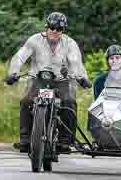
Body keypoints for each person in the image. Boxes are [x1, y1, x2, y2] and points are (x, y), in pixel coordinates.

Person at [5, 12, 91, 153]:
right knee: (26, 101)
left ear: (63, 31)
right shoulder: (34, 40)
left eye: (59, 29)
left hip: (61, 81)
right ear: (47, 27)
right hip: (38, 79)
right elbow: (20, 57)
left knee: (69, 102)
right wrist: (12, 73)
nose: (55, 31)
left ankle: (65, 141)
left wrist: (82, 77)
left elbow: (76, 62)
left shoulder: (69, 43)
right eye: (52, 27)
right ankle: (25, 140)